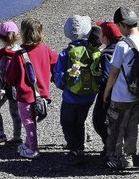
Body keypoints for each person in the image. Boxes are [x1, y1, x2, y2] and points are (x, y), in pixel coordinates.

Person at [103, 7, 139, 170]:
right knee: (132, 128)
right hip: (137, 95)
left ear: (122, 25)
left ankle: (116, 158)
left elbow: (114, 73)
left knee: (116, 129)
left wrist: (106, 92)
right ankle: (129, 158)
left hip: (120, 96)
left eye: (117, 26)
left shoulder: (122, 45)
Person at [5, 18, 58, 159]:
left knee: (28, 121)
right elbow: (57, 63)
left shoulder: (19, 55)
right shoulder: (45, 50)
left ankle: (34, 149)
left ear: (23, 33)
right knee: (32, 120)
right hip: (42, 93)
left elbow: (10, 77)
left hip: (25, 94)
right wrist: (52, 76)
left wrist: (10, 82)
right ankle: (29, 144)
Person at [53, 15, 98, 166]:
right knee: (80, 121)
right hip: (89, 96)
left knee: (67, 122)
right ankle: (81, 145)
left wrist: (65, 86)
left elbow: (58, 78)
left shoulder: (65, 54)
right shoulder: (94, 51)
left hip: (70, 97)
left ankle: (75, 149)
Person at [91, 20, 123, 159]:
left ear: (104, 37)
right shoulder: (122, 49)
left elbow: (106, 77)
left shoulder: (106, 54)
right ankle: (114, 148)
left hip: (108, 94)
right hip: (122, 93)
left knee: (99, 121)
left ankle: (110, 148)